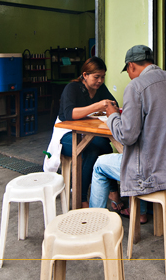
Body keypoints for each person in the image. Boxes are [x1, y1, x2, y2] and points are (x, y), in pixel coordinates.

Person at [89, 45, 166, 222]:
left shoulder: (136, 86)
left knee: (100, 164)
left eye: (127, 70)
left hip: (152, 173)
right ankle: (140, 213)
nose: (129, 74)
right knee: (136, 155)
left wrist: (112, 115)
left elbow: (127, 136)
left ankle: (93, 222)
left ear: (131, 66)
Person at [43, 57, 121, 208]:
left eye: (103, 77)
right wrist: (97, 106)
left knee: (105, 145)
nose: (100, 81)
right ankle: (81, 198)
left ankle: (113, 191)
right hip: (65, 134)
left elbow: (112, 103)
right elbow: (70, 113)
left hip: (85, 132)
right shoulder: (72, 88)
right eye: (96, 77)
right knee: (91, 150)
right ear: (85, 75)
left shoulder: (100, 88)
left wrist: (110, 106)